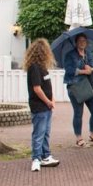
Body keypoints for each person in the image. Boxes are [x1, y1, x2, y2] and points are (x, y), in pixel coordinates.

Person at [25, 39, 59, 172]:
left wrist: (52, 100)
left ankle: (46, 155)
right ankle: (36, 158)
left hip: (46, 106)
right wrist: (48, 101)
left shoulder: (43, 68)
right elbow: (37, 88)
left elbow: (47, 86)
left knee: (45, 132)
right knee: (39, 133)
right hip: (39, 106)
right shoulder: (34, 68)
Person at [63, 33, 93, 147]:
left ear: (86, 42)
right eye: (80, 40)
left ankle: (92, 135)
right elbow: (69, 70)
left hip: (89, 86)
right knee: (78, 113)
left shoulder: (89, 54)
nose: (82, 42)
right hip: (75, 86)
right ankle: (79, 138)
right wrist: (83, 71)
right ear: (76, 42)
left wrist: (92, 69)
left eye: (84, 40)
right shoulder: (70, 55)